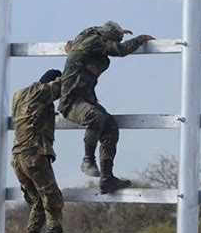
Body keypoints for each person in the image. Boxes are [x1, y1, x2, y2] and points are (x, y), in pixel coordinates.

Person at [59, 21, 155, 194]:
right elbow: (121, 50)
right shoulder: (94, 41)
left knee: (111, 127)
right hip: (72, 101)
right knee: (95, 117)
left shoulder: (88, 41)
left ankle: (107, 178)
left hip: (85, 98)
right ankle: (88, 160)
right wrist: (140, 39)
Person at [11, 69, 75, 233]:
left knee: (38, 201)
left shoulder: (19, 95)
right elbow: (66, 83)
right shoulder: (42, 91)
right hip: (34, 155)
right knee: (53, 199)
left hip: (18, 158)